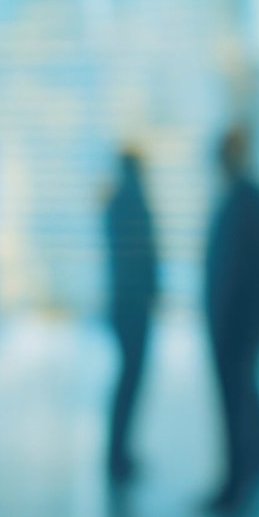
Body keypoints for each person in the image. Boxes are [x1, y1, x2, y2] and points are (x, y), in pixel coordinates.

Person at [200, 126, 259, 515]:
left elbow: (251, 270)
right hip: (231, 323)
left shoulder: (247, 201)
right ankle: (250, 472)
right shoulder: (238, 199)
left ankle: (238, 482)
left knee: (237, 404)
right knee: (243, 400)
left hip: (238, 325)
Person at [104, 148, 158, 483]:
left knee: (129, 379)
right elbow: (140, 258)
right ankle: (118, 455)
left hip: (127, 304)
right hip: (132, 306)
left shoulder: (119, 202)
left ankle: (119, 452)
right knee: (130, 379)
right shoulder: (130, 203)